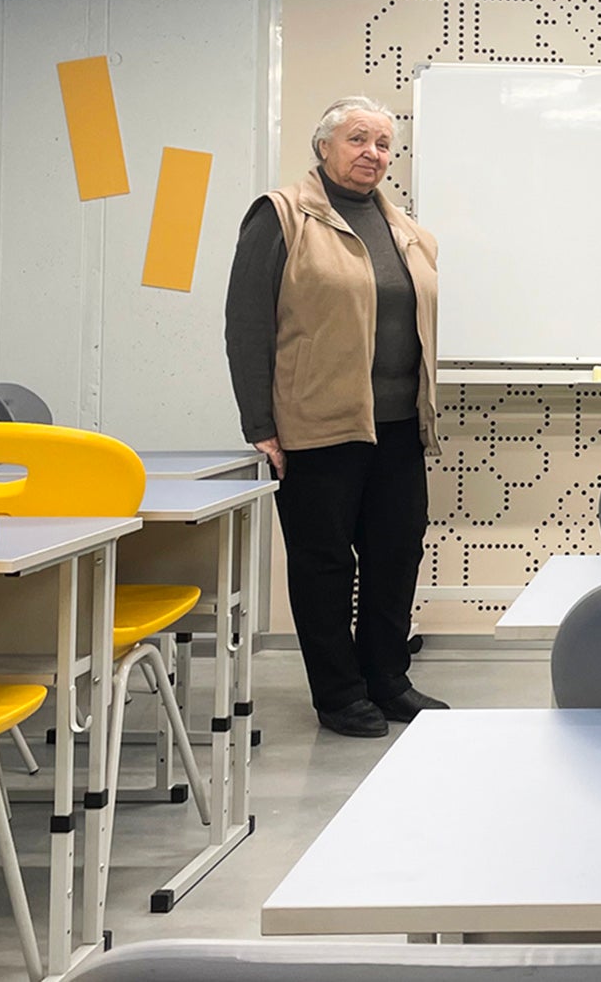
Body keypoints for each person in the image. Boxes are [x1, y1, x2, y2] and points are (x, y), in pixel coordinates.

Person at [224, 96, 446, 737]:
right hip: (316, 424)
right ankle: (339, 693)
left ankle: (388, 679)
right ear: (323, 147)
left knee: (395, 553)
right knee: (325, 565)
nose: (372, 153)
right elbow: (247, 326)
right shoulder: (281, 216)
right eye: (357, 139)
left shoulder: (405, 228)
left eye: (382, 144)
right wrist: (259, 423)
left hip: (398, 423)